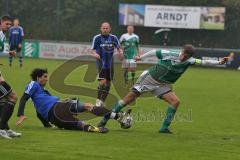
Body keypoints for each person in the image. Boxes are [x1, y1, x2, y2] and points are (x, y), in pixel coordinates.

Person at [98, 44, 231, 133]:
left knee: (175, 102)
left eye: (186, 57)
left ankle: (164, 129)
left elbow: (203, 62)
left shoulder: (190, 60)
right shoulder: (170, 53)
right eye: (183, 54)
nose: (183, 57)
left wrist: (219, 62)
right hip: (149, 78)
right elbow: (154, 52)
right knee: (128, 99)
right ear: (182, 51)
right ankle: (104, 120)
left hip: (162, 84)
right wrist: (140, 57)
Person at [16, 68, 129, 133]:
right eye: (45, 76)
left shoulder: (40, 94)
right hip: (57, 107)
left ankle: (94, 129)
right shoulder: (33, 84)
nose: (47, 78)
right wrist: (20, 114)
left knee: (79, 124)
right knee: (88, 107)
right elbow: (23, 98)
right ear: (38, 78)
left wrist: (48, 125)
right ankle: (118, 116)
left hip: (55, 119)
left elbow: (39, 114)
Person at [91, 22, 123, 107]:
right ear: (101, 28)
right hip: (101, 62)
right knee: (103, 81)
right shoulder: (97, 38)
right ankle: (98, 100)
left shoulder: (113, 38)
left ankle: (102, 101)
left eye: (107, 28)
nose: (105, 30)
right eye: (104, 28)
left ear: (109, 29)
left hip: (110, 62)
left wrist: (121, 53)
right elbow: (93, 50)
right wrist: (95, 54)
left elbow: (119, 48)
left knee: (108, 83)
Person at [0, 15, 20, 139]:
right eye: (6, 24)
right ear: (1, 22)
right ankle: (2, 129)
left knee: (2, 100)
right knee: (13, 96)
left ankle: (5, 128)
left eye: (10, 25)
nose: (8, 26)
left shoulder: (2, 35)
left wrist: (8, 53)